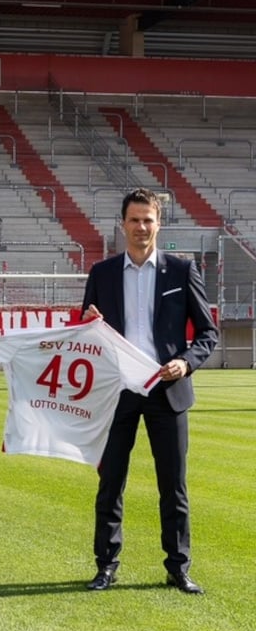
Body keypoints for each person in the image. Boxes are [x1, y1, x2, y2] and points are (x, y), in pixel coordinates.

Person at [81, 188, 218, 594]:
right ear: (122, 225)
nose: (142, 227)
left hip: (167, 389)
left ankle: (178, 567)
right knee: (110, 483)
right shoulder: (102, 273)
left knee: (173, 485)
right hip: (118, 390)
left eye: (148, 220)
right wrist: (87, 320)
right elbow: (85, 329)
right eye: (134, 220)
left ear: (159, 224)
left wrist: (187, 361)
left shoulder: (181, 270)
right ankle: (106, 565)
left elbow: (208, 333)